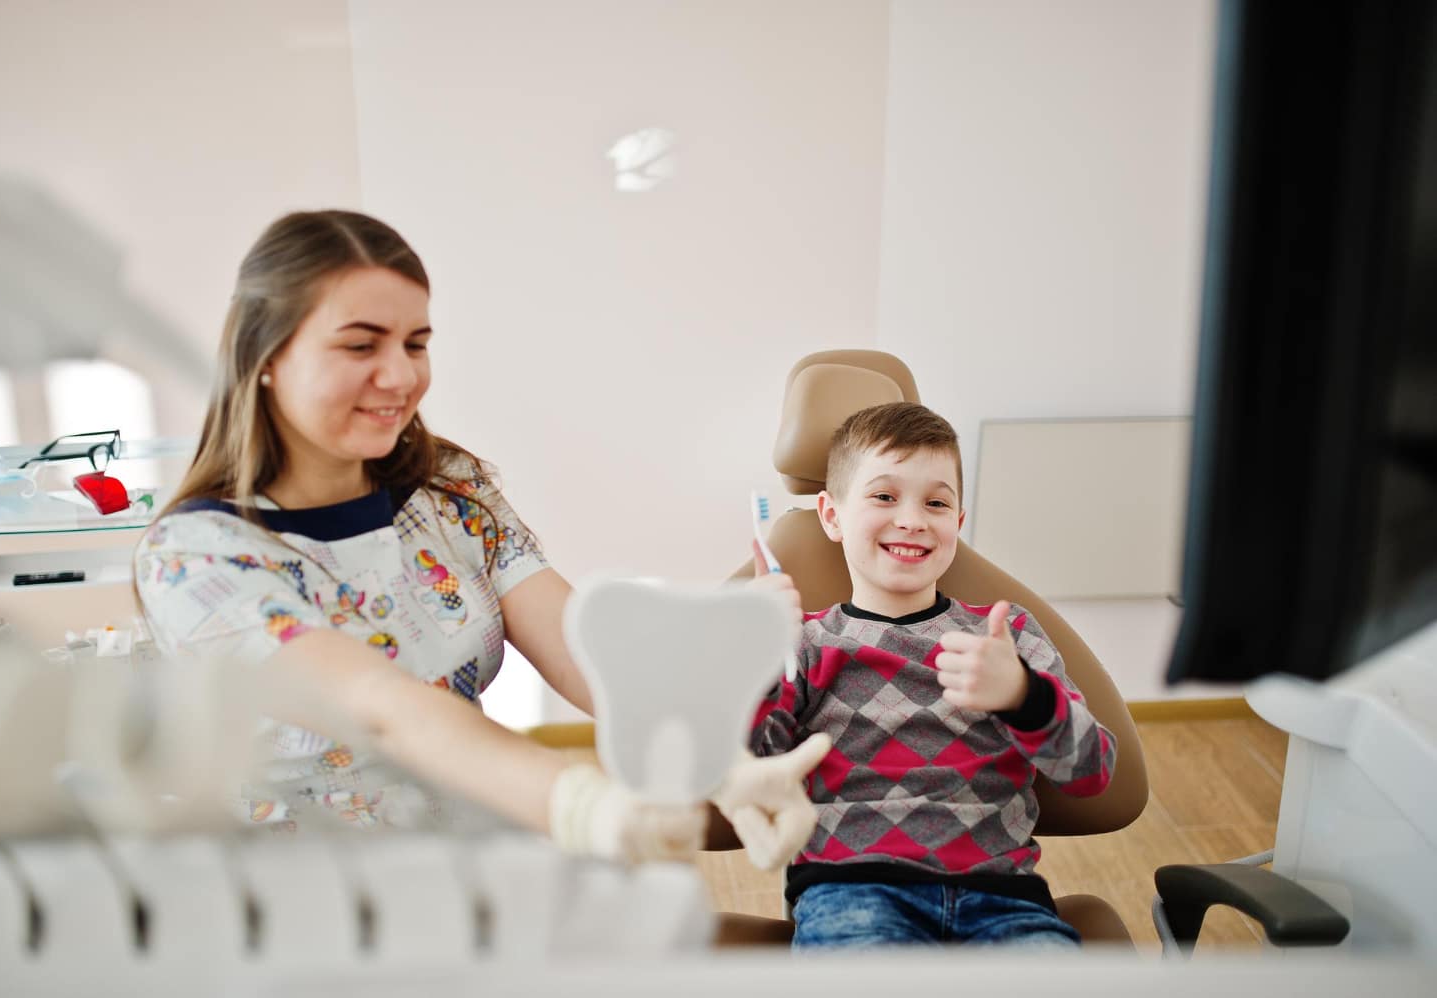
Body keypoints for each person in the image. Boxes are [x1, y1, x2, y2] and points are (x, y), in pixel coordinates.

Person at [134, 209, 823, 864]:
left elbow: (587, 652)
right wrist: (590, 808)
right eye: (360, 344)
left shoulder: (449, 491)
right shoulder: (196, 560)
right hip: (313, 910)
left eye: (416, 343)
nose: (401, 376)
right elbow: (384, 712)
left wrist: (718, 759)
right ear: (265, 355)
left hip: (474, 867)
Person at [747, 401, 1117, 948]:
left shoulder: (1003, 634)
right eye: (884, 496)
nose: (913, 519)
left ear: (957, 522)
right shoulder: (803, 643)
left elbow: (1093, 773)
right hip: (852, 895)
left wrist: (1021, 696)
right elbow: (754, 773)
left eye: (937, 502)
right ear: (831, 515)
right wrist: (753, 654)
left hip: (1006, 901)